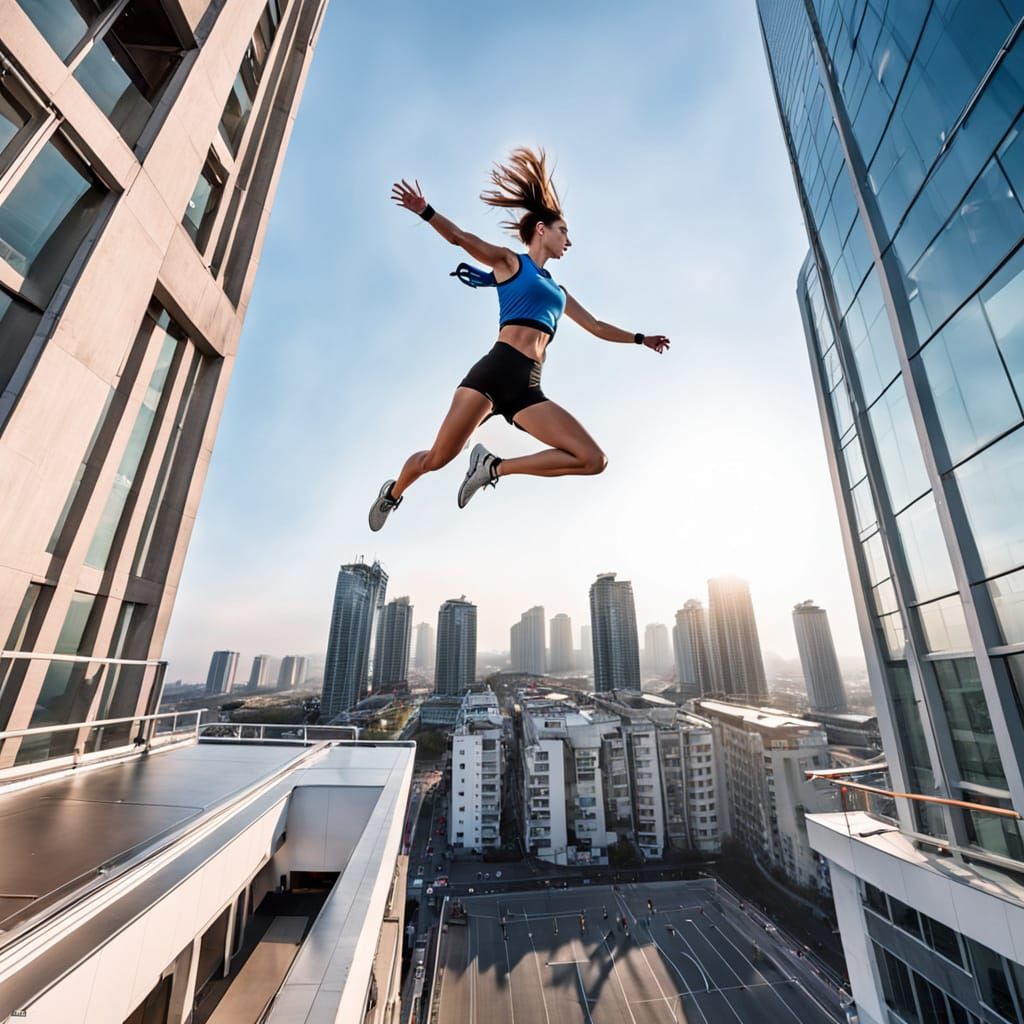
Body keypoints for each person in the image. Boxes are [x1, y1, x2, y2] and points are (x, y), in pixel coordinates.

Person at [368, 146, 671, 531]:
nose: (569, 241)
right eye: (564, 231)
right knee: (437, 459)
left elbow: (595, 326)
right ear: (541, 230)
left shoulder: (559, 292)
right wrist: (425, 211)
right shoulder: (512, 264)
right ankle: (393, 492)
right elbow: (461, 238)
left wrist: (640, 338)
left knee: (593, 460)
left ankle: (493, 467)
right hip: (493, 374)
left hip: (527, 388)